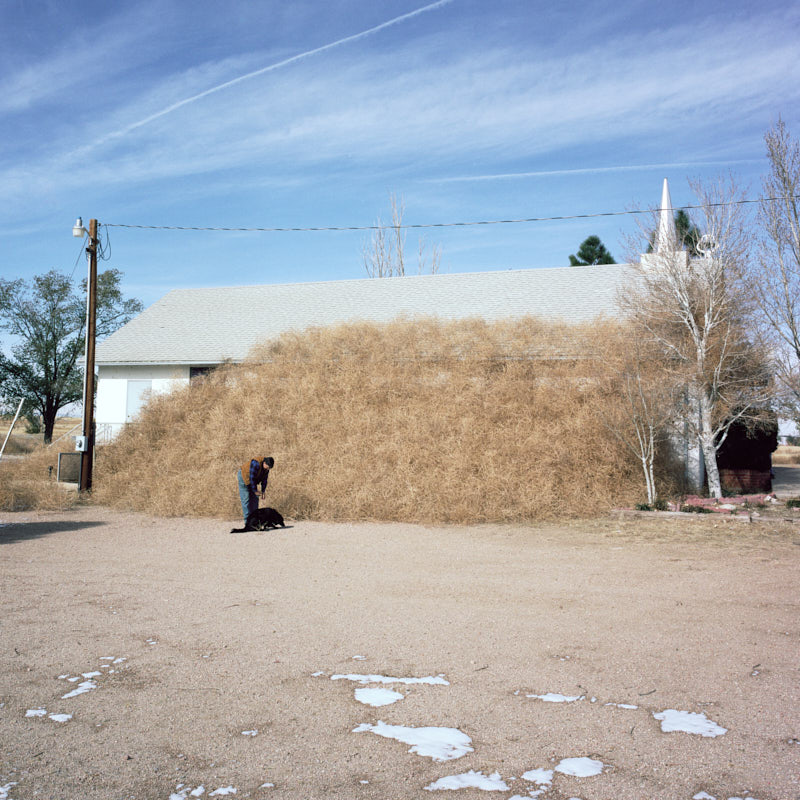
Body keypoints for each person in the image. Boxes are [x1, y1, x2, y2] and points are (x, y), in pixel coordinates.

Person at [237, 456, 274, 524]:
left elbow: (264, 480)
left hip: (252, 480)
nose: (268, 469)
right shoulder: (256, 464)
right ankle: (247, 522)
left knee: (255, 499)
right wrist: (255, 491)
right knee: (246, 500)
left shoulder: (266, 468)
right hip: (244, 477)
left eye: (269, 468)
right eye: (268, 467)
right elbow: (252, 478)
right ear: (264, 463)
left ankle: (255, 520)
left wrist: (263, 491)